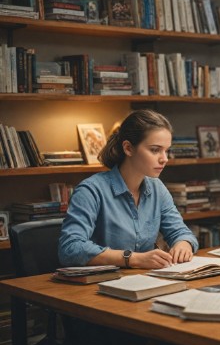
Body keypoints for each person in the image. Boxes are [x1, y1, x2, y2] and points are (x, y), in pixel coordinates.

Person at [59, 109, 198, 269]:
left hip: (144, 282)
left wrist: (184, 244)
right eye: (155, 150)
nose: (164, 159)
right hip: (98, 286)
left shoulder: (157, 189)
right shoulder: (90, 191)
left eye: (167, 150)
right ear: (128, 148)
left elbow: (181, 232)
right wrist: (133, 259)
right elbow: (70, 248)